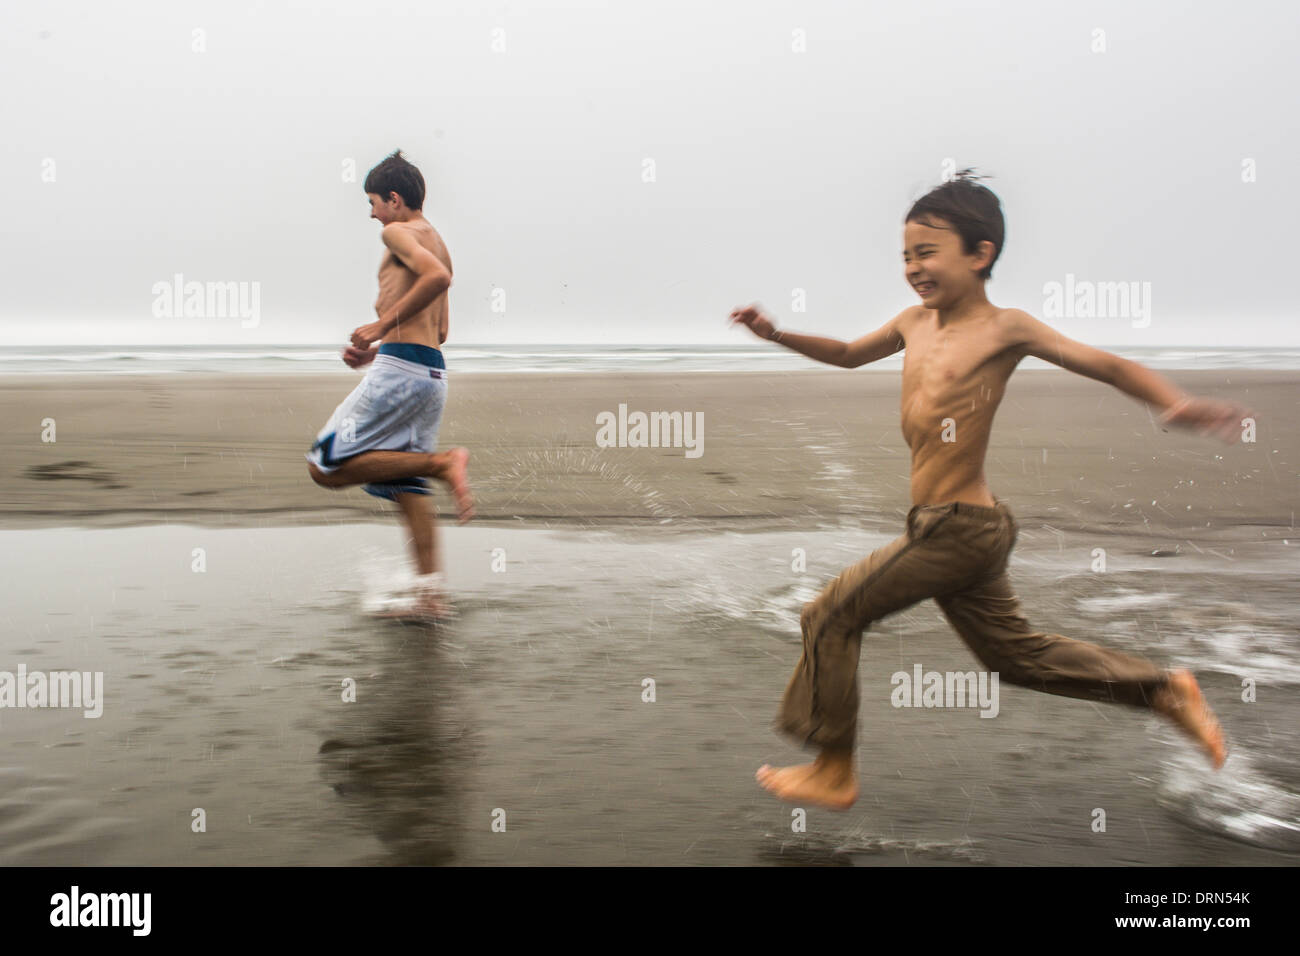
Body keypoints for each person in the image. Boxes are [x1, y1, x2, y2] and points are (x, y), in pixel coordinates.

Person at [730, 170, 1246, 810]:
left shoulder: (1006, 329)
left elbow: (1107, 364)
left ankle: (835, 768)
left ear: (981, 255)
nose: (915, 268)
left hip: (959, 527)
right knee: (1017, 660)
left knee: (829, 615)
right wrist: (776, 334)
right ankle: (1164, 691)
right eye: (907, 256)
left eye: (928, 253)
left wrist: (1176, 403)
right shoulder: (913, 322)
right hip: (949, 525)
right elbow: (844, 352)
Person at [307, 150, 473, 620]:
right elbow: (439, 332)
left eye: (374, 202)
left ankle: (444, 463)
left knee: (324, 466)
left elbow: (438, 280)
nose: (372, 213)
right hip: (430, 372)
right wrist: (379, 352)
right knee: (407, 485)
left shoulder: (397, 231)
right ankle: (430, 597)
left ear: (394, 199)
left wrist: (379, 330)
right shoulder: (437, 239)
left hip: (402, 370)